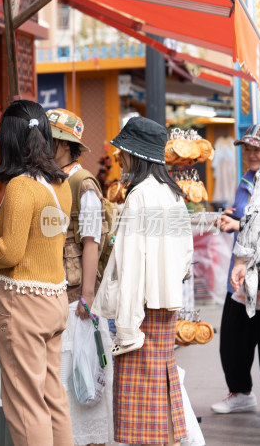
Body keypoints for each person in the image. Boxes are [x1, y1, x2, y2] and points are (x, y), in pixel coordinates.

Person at [0, 100, 73, 446]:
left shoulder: (20, 187)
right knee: (52, 395)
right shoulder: (61, 184)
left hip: (23, 304)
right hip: (55, 299)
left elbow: (8, 253)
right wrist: (2, 222)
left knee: (25, 403)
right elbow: (43, 233)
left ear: (10, 140)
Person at [92, 116, 193, 446]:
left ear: (136, 155)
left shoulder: (138, 197)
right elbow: (185, 258)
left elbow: (132, 268)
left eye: (123, 153)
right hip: (165, 308)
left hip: (141, 312)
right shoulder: (174, 195)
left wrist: (127, 328)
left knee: (138, 414)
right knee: (161, 393)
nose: (120, 158)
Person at [48, 108, 114, 445]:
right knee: (66, 379)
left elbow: (91, 241)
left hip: (77, 298)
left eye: (48, 139)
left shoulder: (82, 182)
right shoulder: (54, 179)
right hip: (60, 292)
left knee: (80, 374)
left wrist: (87, 294)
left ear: (62, 145)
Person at [218, 124, 260, 413]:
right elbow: (245, 213)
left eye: (257, 148)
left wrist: (240, 223)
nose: (251, 153)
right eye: (247, 148)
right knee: (232, 340)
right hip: (242, 273)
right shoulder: (248, 178)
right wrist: (231, 217)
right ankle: (241, 393)